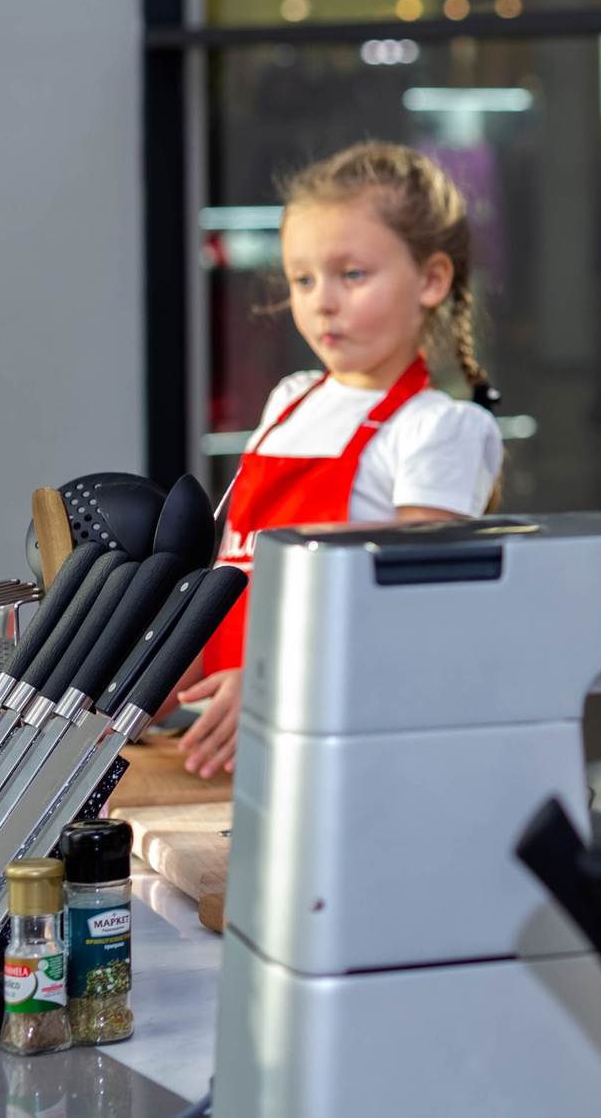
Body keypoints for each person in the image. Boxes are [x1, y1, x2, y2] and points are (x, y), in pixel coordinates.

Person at [173, 141, 506, 779]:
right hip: (227, 752)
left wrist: (271, 685)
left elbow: (410, 616)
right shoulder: (291, 400)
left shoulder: (439, 429)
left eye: (352, 275)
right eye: (303, 278)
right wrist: (155, 673)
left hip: (347, 757)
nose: (322, 300)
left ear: (432, 279)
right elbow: (229, 577)